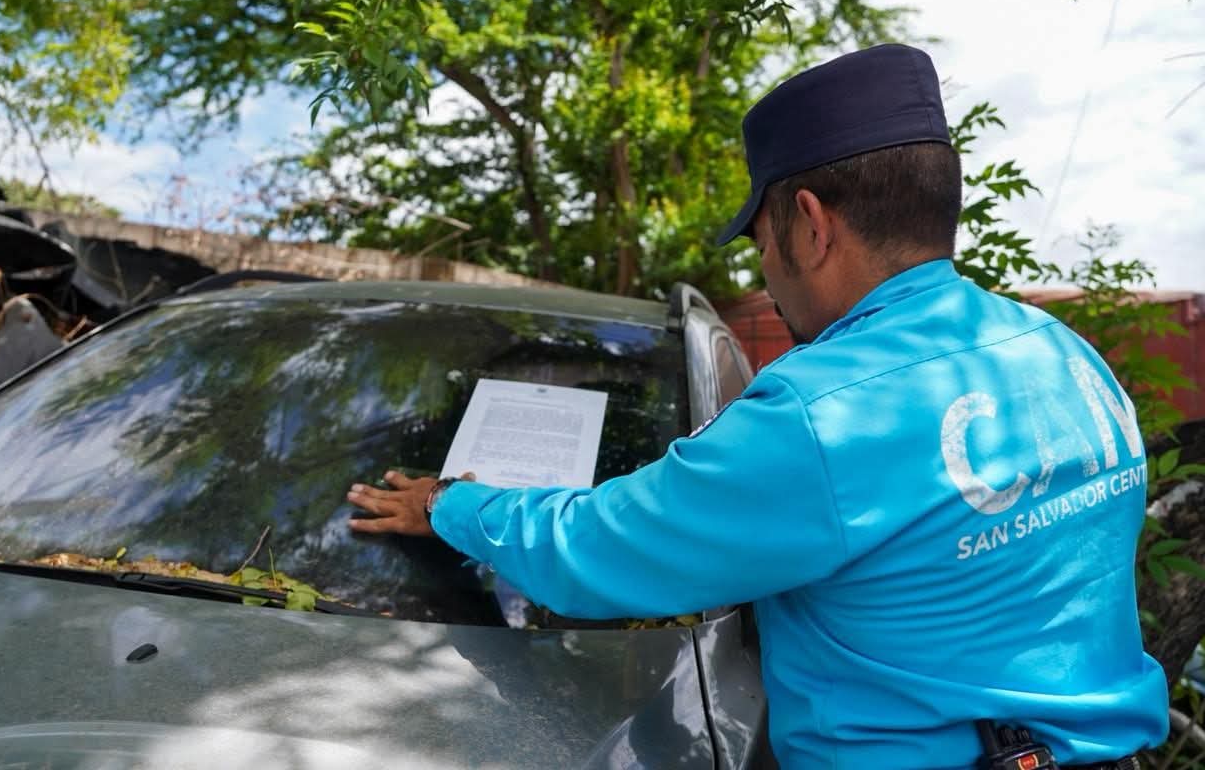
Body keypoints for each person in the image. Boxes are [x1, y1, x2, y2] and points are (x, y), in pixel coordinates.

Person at [346, 43, 1169, 768]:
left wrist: (450, 504)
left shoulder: (824, 413)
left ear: (810, 224)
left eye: (761, 241)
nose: (767, 273)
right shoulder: (1065, 356)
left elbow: (599, 550)